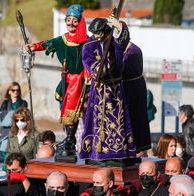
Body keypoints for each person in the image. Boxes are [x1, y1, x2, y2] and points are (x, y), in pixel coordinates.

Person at [25, 4, 88, 157]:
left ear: (80, 22)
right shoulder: (62, 41)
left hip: (84, 82)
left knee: (84, 115)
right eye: (68, 20)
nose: (71, 23)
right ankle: (69, 139)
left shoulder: (88, 42)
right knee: (66, 112)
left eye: (75, 20)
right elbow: (46, 44)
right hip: (67, 83)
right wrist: (32, 47)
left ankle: (77, 140)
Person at [79, 17, 137, 161]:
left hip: (115, 89)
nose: (98, 36)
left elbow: (123, 41)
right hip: (99, 88)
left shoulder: (113, 40)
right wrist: (98, 68)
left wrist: (118, 26)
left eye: (100, 32)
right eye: (95, 33)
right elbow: (87, 60)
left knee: (118, 119)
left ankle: (119, 151)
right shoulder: (89, 45)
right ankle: (96, 152)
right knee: (97, 121)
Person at [122, 39, 151, 153]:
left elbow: (123, 69)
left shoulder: (133, 51)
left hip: (133, 90)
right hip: (126, 87)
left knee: (134, 120)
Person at [0, 82, 28, 157]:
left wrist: (11, 115)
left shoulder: (23, 103)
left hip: (18, 130)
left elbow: (25, 116)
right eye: (13, 90)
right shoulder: (5, 103)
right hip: (6, 131)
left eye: (17, 90)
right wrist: (12, 115)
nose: (15, 92)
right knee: (4, 151)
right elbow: (0, 115)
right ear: (9, 91)